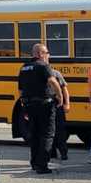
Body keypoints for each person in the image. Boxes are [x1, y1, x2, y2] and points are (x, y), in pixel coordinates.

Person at [17, 44, 63, 174]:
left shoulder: (24, 68)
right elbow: (53, 82)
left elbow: (20, 90)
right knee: (47, 134)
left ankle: (34, 163)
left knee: (35, 134)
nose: (48, 56)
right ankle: (42, 165)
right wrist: (60, 97)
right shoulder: (43, 66)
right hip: (44, 104)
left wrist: (24, 106)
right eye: (47, 53)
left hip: (29, 105)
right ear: (40, 53)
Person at [49, 68, 70, 161]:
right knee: (50, 129)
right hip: (48, 103)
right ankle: (52, 152)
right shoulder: (39, 73)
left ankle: (63, 152)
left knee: (59, 129)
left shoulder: (56, 73)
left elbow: (64, 89)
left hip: (57, 102)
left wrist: (67, 103)